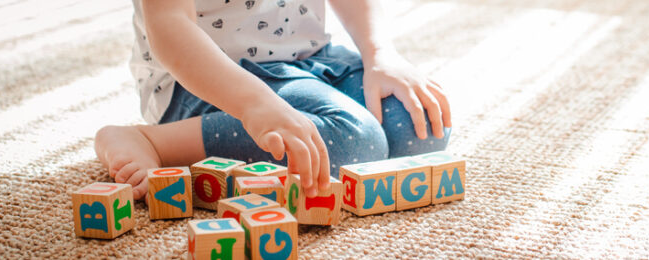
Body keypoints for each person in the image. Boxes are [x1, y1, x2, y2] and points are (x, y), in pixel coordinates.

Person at [94, 0, 452, 200]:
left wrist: (380, 54)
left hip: (311, 58)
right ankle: (152, 140)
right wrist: (254, 104)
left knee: (418, 126)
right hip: (216, 79)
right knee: (356, 142)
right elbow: (169, 25)